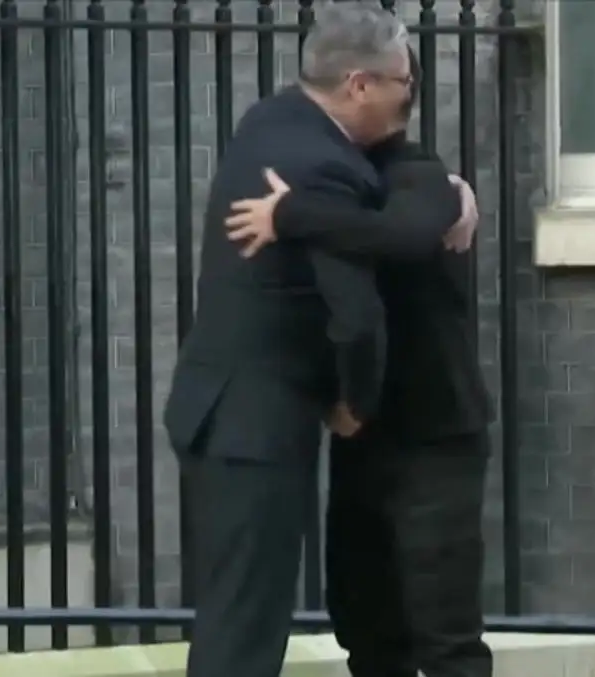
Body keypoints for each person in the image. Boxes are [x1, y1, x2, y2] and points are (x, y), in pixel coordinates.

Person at [161, 6, 469, 677]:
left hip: (212, 409)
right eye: (400, 81)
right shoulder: (332, 168)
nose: (407, 95)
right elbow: (357, 319)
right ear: (358, 84)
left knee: (228, 610)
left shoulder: (267, 122)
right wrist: (355, 401)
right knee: (246, 630)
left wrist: (451, 190)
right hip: (258, 427)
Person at [223, 49, 494, 677]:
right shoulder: (331, 173)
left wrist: (289, 214)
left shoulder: (420, 175)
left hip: (434, 435)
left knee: (445, 633)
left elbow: (402, 236)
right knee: (365, 622)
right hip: (362, 431)